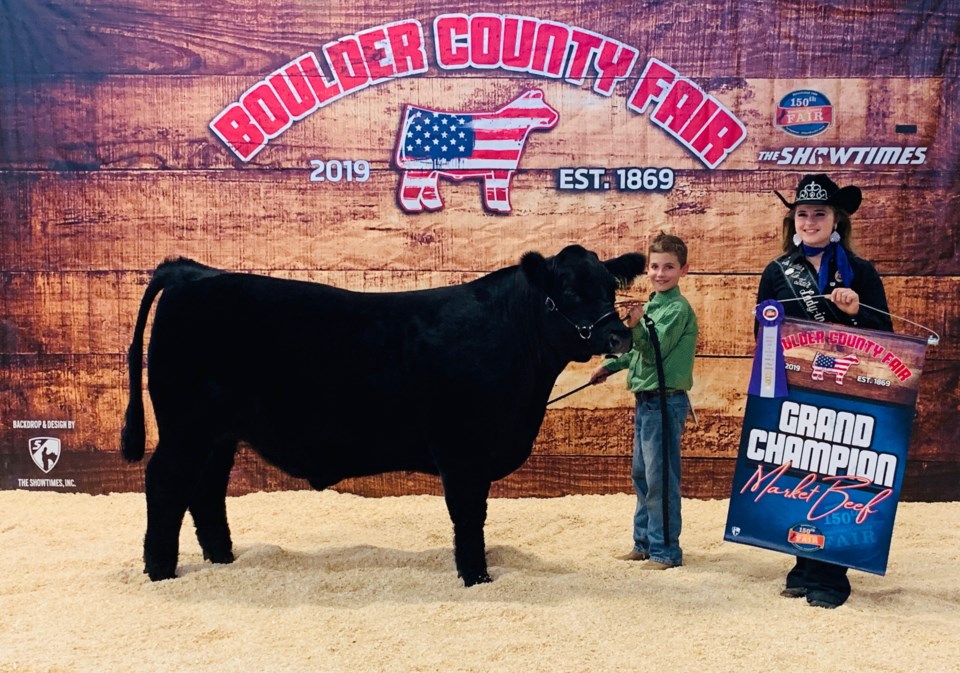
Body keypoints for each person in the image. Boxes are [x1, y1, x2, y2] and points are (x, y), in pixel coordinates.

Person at [757, 173, 893, 608]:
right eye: (803, 214)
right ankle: (803, 561)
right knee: (796, 472)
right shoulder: (777, 272)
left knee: (838, 474)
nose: (810, 221)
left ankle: (831, 577)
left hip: (846, 392)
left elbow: (884, 336)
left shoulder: (862, 273)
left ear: (836, 219)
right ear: (792, 220)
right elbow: (762, 331)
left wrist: (853, 315)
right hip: (795, 389)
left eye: (819, 213)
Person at [590, 232, 698, 570]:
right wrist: (610, 365)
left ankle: (666, 552)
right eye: (654, 266)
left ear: (683, 270)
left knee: (660, 480)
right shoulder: (653, 306)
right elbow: (637, 353)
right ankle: (644, 544)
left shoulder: (677, 309)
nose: (660, 273)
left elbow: (652, 352)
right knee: (643, 476)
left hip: (665, 403)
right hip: (647, 403)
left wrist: (636, 327)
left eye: (669, 267)